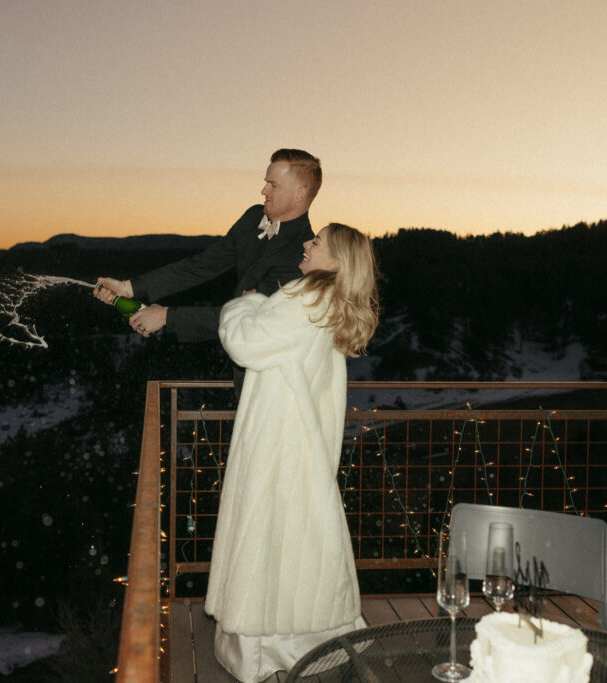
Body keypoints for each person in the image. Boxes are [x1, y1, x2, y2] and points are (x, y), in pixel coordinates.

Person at [204, 223, 380, 682]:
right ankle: (306, 633)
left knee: (267, 530)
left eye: (317, 242)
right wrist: (263, 307)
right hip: (300, 437)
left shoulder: (308, 298)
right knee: (298, 533)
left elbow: (245, 343)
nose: (307, 243)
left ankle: (265, 643)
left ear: (338, 260)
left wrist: (243, 303)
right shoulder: (326, 300)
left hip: (280, 438)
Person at [92, 149, 320, 392]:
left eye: (273, 185)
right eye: (266, 183)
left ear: (300, 193)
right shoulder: (254, 216)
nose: (263, 191)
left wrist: (167, 316)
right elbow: (203, 264)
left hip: (277, 381)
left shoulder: (303, 256)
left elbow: (250, 320)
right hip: (244, 375)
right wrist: (129, 288)